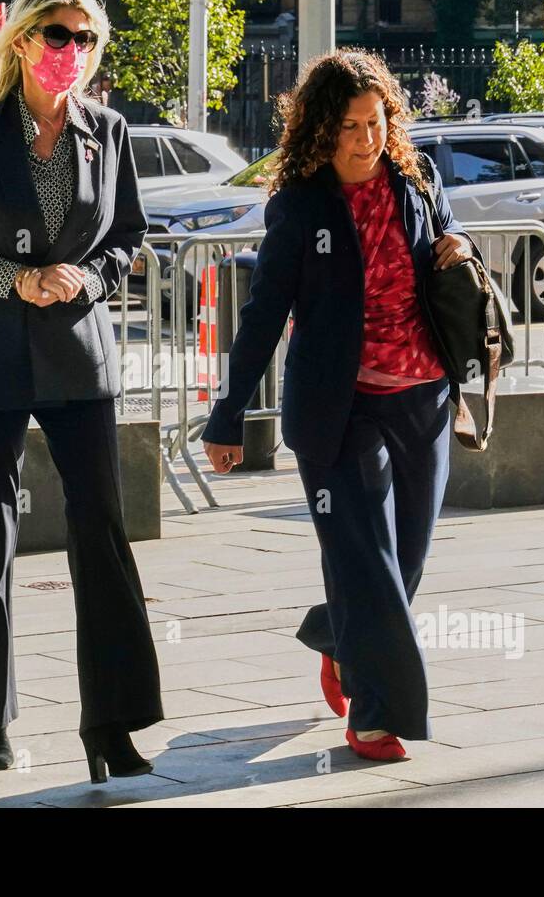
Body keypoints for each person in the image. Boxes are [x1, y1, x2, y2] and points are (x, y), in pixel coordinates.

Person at [0, 0, 163, 784]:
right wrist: (11, 281)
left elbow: (126, 238)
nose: (73, 53)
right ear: (21, 42)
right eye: (58, 36)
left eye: (86, 39)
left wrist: (87, 282)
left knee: (103, 537)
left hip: (80, 359)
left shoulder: (109, 131)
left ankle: (113, 727)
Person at [201, 49, 480, 762]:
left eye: (377, 120)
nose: (367, 138)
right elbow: (264, 315)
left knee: (404, 562)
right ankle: (376, 716)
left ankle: (338, 636)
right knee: (370, 562)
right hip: (339, 408)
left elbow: (452, 250)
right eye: (351, 125)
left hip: (422, 395)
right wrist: (227, 414)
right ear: (323, 131)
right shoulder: (300, 208)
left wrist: (459, 243)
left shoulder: (417, 183)